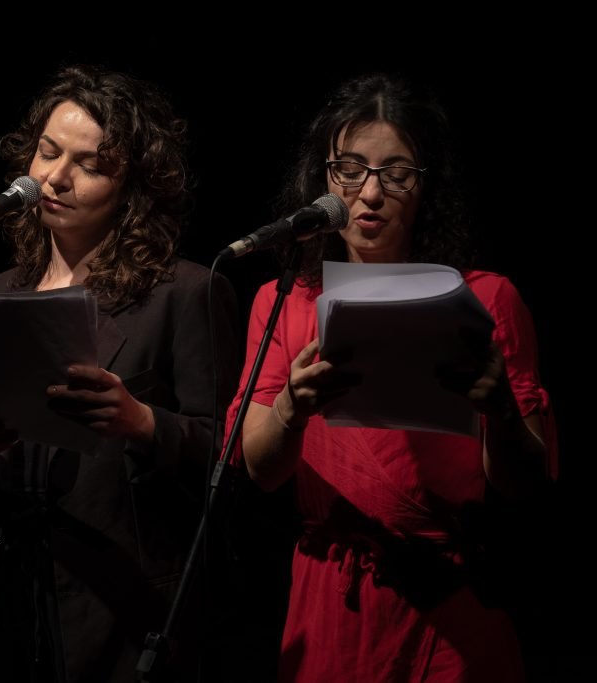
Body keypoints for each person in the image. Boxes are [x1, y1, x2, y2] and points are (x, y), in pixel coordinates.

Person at [223, 74, 557, 681]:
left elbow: (524, 487)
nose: (370, 193)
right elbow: (260, 470)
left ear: (425, 186)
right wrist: (292, 410)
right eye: (350, 169)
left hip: (447, 602)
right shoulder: (284, 301)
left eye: (395, 173)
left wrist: (502, 412)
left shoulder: (487, 300)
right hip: (331, 599)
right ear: (324, 177)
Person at [0, 65, 240, 682]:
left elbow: (233, 461)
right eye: (48, 152)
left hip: (125, 605)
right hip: (13, 593)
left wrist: (146, 424)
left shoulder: (185, 293)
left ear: (133, 187)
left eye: (90, 164)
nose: (54, 177)